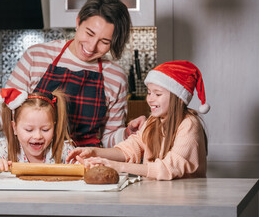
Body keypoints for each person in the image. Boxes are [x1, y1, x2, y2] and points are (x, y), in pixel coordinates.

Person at [0, 0, 145, 148]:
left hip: (83, 167)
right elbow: (6, 112)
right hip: (31, 164)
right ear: (78, 22)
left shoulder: (115, 77)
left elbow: (109, 138)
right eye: (89, 33)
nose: (92, 47)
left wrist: (127, 133)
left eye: (104, 42)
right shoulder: (37, 56)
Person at [66, 61, 210, 180]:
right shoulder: (154, 121)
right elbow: (129, 149)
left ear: (177, 98)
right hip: (158, 195)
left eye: (158, 94)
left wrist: (118, 167)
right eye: (149, 93)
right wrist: (94, 152)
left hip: (186, 198)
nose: (150, 99)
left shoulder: (189, 124)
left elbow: (167, 168)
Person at [0, 88, 74, 177]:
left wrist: (88, 164)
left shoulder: (63, 150)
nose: (37, 136)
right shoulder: (7, 149)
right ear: (14, 128)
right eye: (29, 130)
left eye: (45, 129)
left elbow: (84, 166)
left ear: (54, 127)